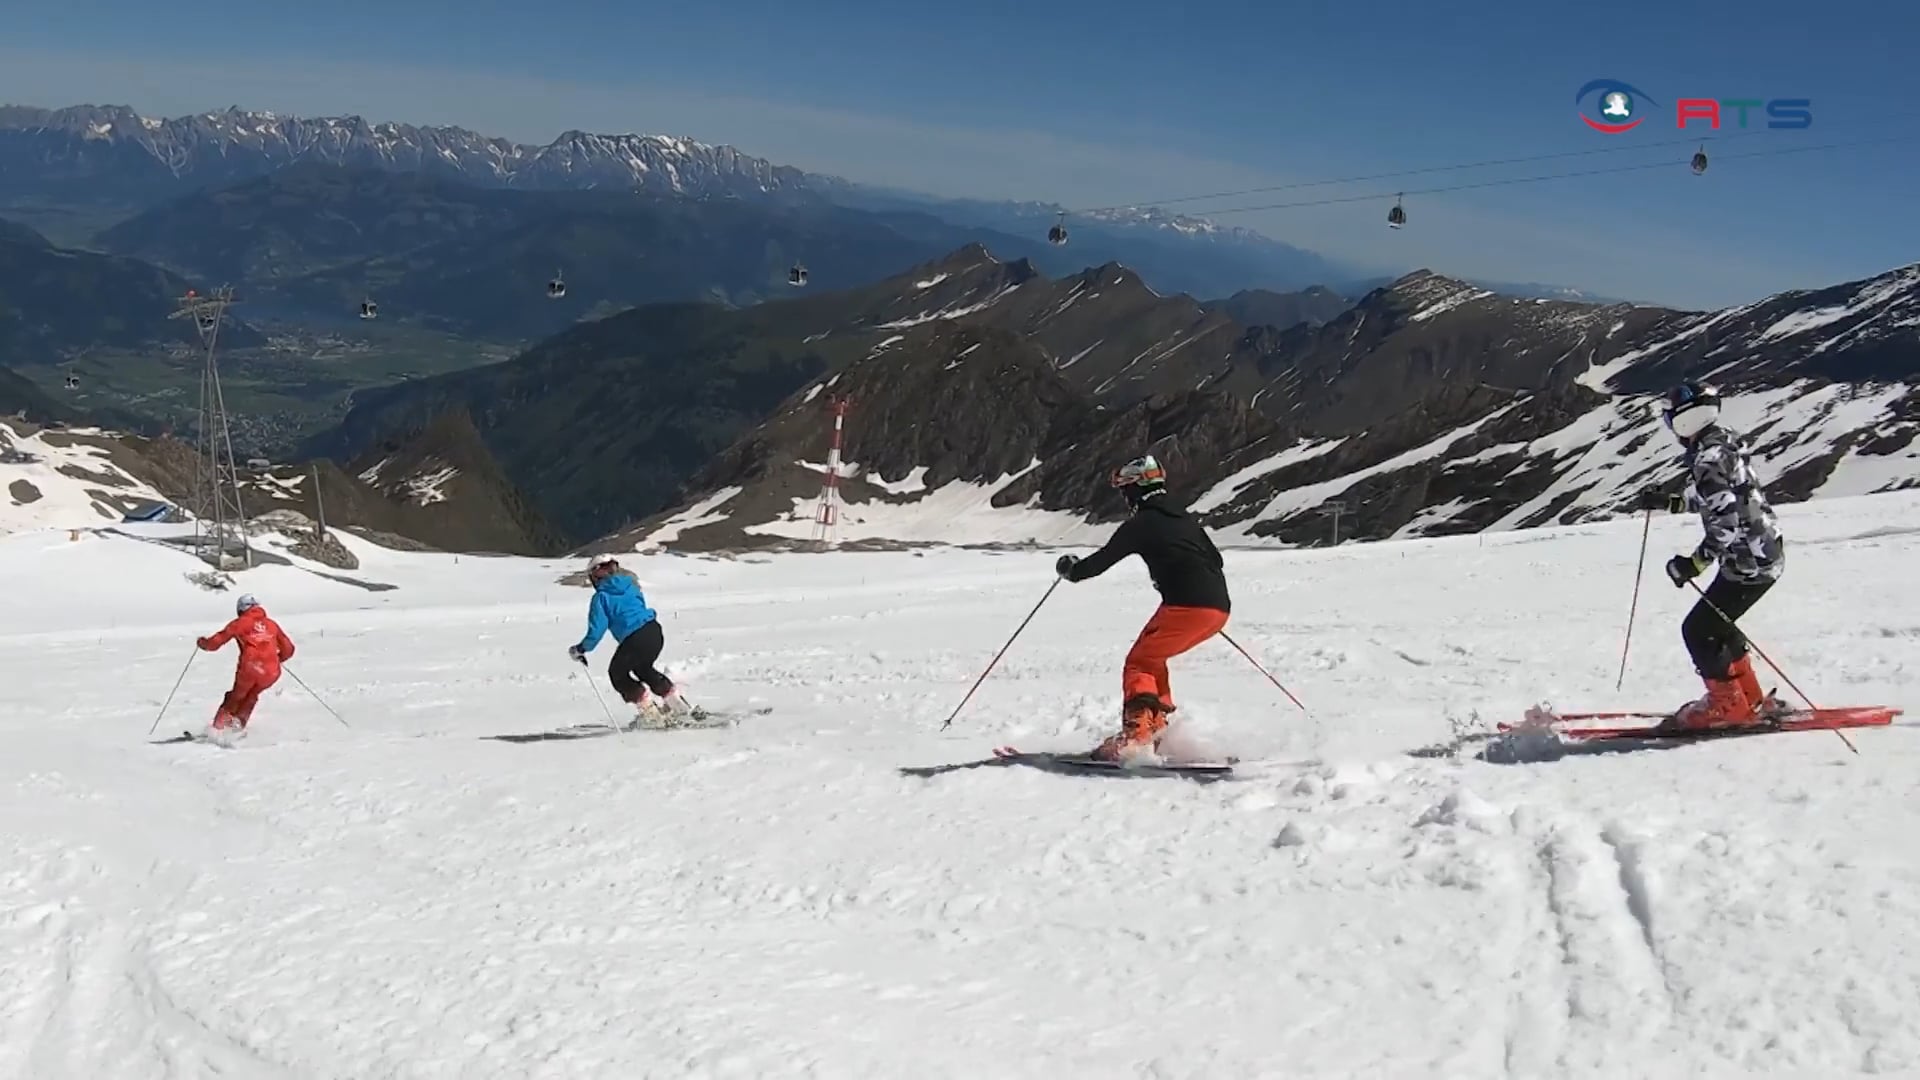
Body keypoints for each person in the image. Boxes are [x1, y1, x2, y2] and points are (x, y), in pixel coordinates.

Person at [1054, 455, 1232, 760]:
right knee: (1153, 658)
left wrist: (1070, 569)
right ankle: (1157, 730)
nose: (1124, 497)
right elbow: (1216, 560)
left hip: (1185, 606)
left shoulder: (1141, 524)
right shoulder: (1185, 518)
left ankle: (1137, 737)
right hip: (1217, 607)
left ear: (1135, 489)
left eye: (1125, 490)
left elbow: (1096, 564)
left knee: (1139, 663)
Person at [1637, 381, 1786, 729]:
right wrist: (1669, 502)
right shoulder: (1724, 444)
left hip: (1747, 563)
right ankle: (1748, 699)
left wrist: (1692, 564)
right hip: (1761, 553)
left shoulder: (1706, 459)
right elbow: (1724, 498)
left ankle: (1727, 708)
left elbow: (1725, 524)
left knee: (1698, 630)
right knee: (1717, 625)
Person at [569, 553, 688, 722]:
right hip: (653, 631)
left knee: (617, 673)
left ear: (595, 575)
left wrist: (580, 649)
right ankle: (674, 701)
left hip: (635, 638)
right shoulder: (631, 586)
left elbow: (596, 631)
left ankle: (649, 713)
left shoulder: (601, 598)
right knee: (643, 669)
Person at [196, 593, 295, 738]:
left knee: (236, 696)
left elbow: (216, 642)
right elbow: (289, 649)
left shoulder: (240, 623)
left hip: (250, 666)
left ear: (241, 609)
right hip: (272, 671)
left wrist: (203, 644)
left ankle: (217, 730)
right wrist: (275, 659)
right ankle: (238, 726)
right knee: (252, 695)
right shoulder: (272, 624)